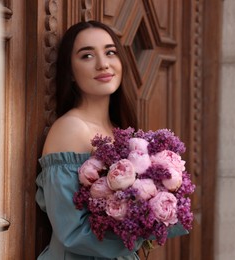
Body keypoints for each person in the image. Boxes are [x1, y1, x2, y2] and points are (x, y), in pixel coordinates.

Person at [35, 21, 186, 260]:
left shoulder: (121, 133)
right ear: (70, 73)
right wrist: (140, 232)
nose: (103, 63)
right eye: (87, 56)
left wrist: (158, 211)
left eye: (110, 52)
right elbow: (71, 231)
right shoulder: (70, 129)